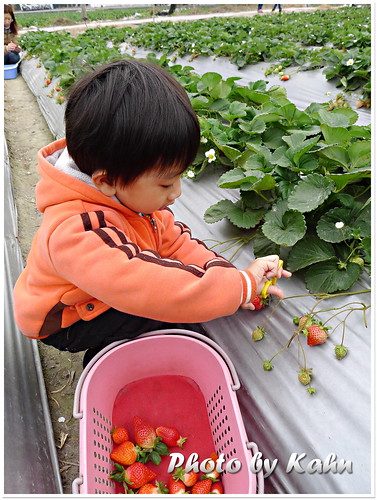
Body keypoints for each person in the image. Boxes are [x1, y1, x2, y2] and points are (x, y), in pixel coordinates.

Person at [13, 59, 291, 366]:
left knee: (173, 293)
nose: (177, 193)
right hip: (67, 319)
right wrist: (240, 288)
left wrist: (234, 280)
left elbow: (174, 243)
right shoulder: (75, 231)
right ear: (106, 181)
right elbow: (153, 289)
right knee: (163, 315)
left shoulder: (128, 193)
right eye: (166, 183)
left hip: (99, 288)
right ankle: (105, 362)